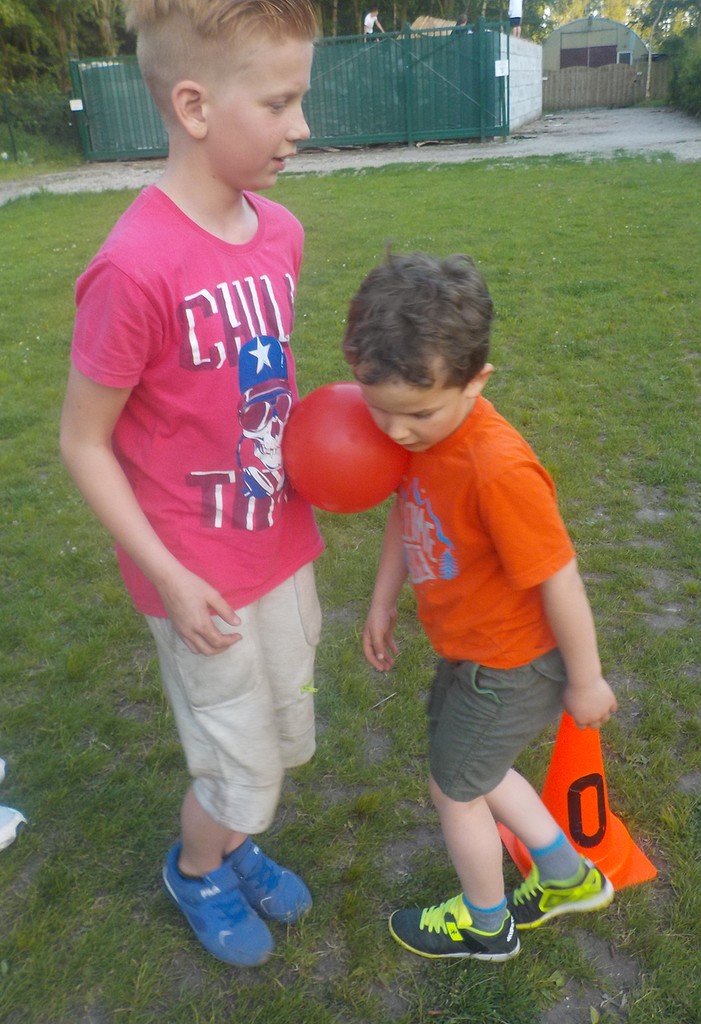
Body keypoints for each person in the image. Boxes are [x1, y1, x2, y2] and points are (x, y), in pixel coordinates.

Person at [59, 0, 324, 969]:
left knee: (281, 734)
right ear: (194, 106)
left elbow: (259, 391)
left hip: (279, 548)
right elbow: (82, 443)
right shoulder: (133, 268)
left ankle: (234, 835)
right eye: (280, 103)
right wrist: (168, 576)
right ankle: (198, 865)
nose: (302, 127)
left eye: (301, 100)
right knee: (233, 757)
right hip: (197, 576)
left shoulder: (281, 233)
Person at [342, 252, 618, 961]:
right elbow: (405, 511)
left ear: (476, 381)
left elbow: (560, 579)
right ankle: (566, 876)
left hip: (510, 666)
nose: (395, 432)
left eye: (417, 413)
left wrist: (587, 680)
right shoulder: (424, 437)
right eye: (378, 408)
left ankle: (486, 924)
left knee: (453, 791)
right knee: (477, 773)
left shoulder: (497, 467)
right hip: (471, 652)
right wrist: (382, 601)